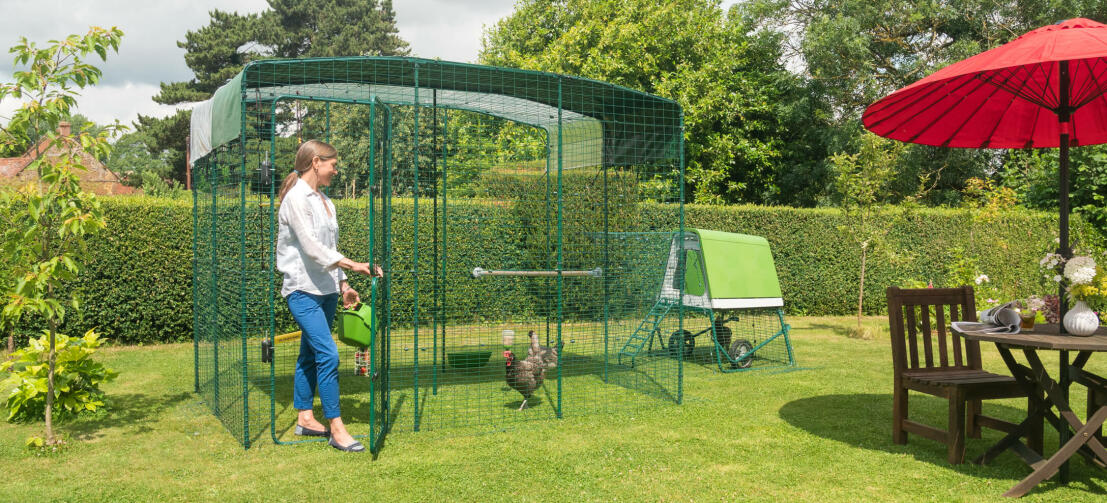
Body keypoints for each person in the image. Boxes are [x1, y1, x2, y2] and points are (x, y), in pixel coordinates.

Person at [276, 139, 382, 453]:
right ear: (316, 162)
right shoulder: (295, 199)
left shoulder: (326, 201)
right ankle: (336, 428)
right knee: (328, 355)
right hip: (302, 290)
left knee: (309, 355)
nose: (336, 170)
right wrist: (356, 265)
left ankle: (305, 418)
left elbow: (329, 251)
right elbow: (311, 248)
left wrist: (345, 284)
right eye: (333, 165)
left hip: (326, 291)